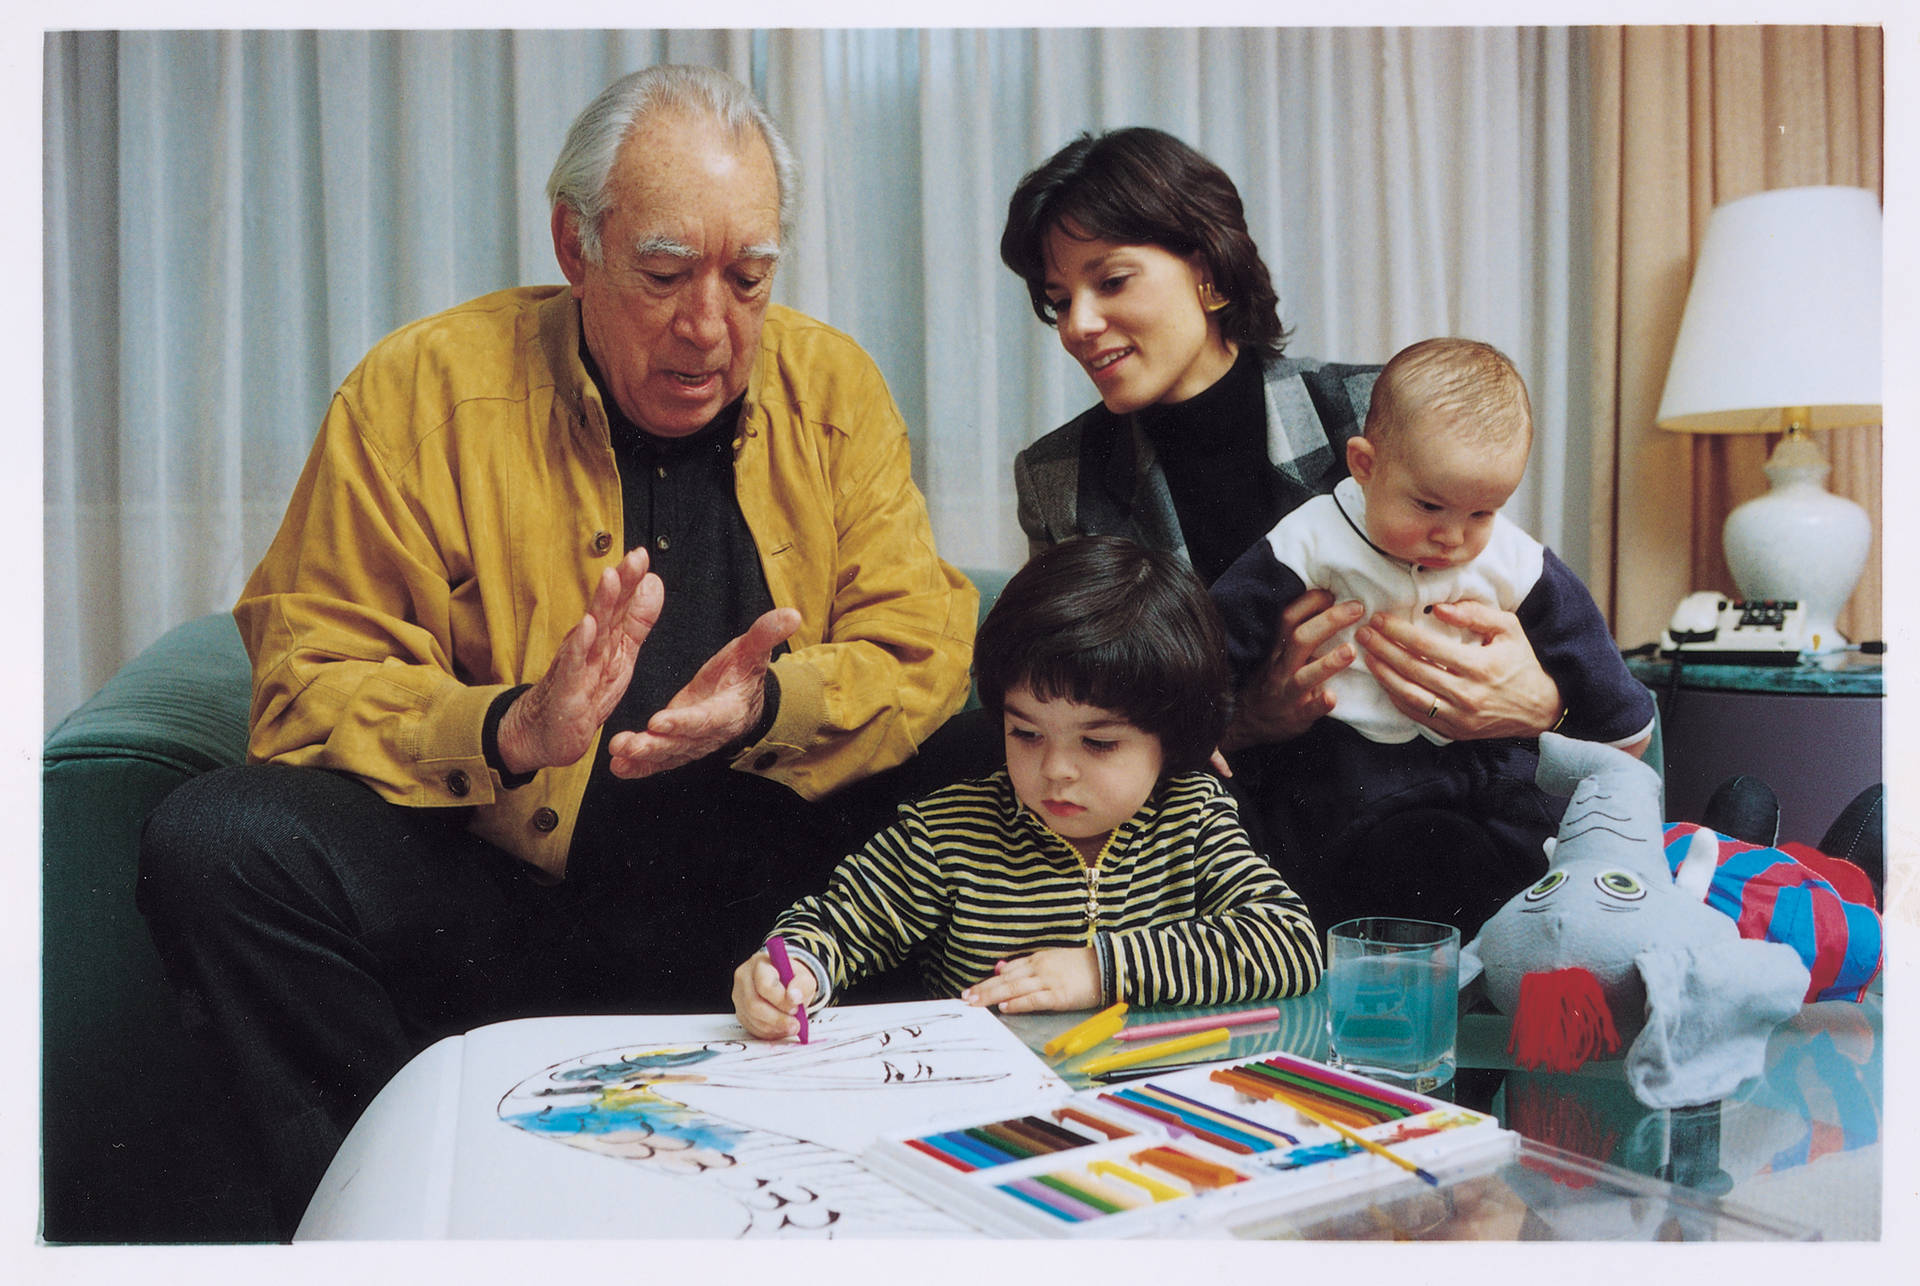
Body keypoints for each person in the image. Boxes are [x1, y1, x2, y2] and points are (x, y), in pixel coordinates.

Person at [136, 64, 977, 1236]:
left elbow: (923, 646)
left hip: (779, 918)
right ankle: (384, 1222)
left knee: (1006, 746)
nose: (709, 327)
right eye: (666, 273)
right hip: (503, 902)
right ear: (575, 245)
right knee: (219, 838)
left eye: (750, 278)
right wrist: (508, 728)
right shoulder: (419, 390)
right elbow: (307, 676)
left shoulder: (833, 387)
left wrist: (771, 704)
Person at [999, 127, 1569, 930]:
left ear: (1208, 274)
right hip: (1212, 825)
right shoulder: (1061, 478)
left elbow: (1525, 593)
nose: (1077, 325)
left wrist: (1542, 701)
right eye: (1059, 301)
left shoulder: (1380, 413)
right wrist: (1243, 715)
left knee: (1441, 862)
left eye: (1111, 281)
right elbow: (1071, 708)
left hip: (1432, 799)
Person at [732, 536, 1322, 1039]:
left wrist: (1098, 971)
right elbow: (836, 924)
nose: (1056, 770)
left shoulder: (1192, 818)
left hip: (1153, 1100)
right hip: (986, 1108)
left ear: (1170, 738)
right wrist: (789, 973)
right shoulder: (946, 835)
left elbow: (1289, 941)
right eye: (1027, 733)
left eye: (1099, 743)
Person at [1209, 338, 1656, 932]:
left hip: (1486, 755)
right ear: (1364, 466)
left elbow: (1581, 643)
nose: (1453, 537)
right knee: (1343, 846)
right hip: (1348, 758)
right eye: (1429, 506)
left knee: (1544, 845)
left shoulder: (1512, 558)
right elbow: (1218, 633)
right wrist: (1196, 721)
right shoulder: (1310, 540)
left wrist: (1616, 724)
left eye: (1481, 513)